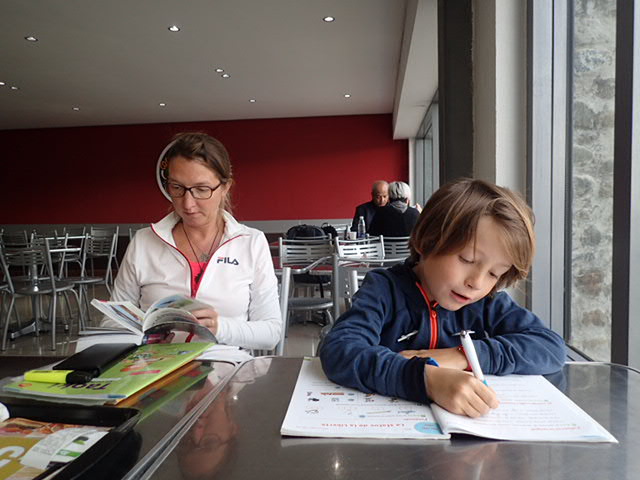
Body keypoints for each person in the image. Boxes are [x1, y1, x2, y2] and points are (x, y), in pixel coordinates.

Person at [320, 178, 565, 418]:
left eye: (494, 273)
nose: (477, 283)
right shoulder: (383, 289)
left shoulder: (487, 303)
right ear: (427, 241)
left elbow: (550, 347)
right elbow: (340, 350)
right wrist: (424, 379)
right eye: (467, 260)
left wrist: (462, 356)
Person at [110, 132, 282, 351]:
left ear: (225, 187)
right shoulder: (144, 242)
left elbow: (270, 333)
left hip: (227, 365)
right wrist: (144, 339)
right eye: (177, 188)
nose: (188, 204)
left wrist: (219, 327)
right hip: (154, 365)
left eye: (202, 189)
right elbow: (112, 322)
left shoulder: (251, 243)